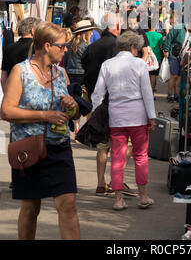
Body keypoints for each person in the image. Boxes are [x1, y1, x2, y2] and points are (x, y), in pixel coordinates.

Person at [0, 22, 80, 240]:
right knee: (31, 206)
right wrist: (45, 116)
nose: (65, 50)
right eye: (62, 46)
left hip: (59, 147)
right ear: (47, 46)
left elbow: (73, 114)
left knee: (68, 204)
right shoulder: (21, 71)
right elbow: (6, 111)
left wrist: (72, 107)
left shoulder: (61, 73)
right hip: (29, 148)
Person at [91, 31, 156, 211]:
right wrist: (152, 117)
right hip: (138, 116)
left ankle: (118, 200)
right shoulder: (139, 64)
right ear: (133, 47)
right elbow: (147, 93)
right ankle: (143, 197)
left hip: (116, 117)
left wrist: (97, 113)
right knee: (141, 157)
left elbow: (97, 94)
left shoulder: (107, 65)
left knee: (117, 158)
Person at [81, 13, 135, 197]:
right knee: (124, 145)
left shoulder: (92, 46)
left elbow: (84, 64)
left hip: (98, 101)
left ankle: (100, 182)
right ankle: (115, 179)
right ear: (117, 27)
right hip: (117, 100)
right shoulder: (118, 48)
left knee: (102, 145)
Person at [63, 20, 95, 134]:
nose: (92, 34)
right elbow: (88, 64)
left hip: (70, 76)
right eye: (90, 32)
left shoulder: (68, 45)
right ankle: (88, 130)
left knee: (74, 103)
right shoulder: (87, 47)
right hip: (82, 77)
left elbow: (65, 63)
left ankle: (76, 127)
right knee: (87, 103)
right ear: (86, 33)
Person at [1, 17, 42, 92]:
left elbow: (3, 76)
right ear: (33, 31)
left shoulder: (9, 48)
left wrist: (6, 95)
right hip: (30, 93)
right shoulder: (37, 48)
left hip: (12, 91)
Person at [163, 19, 191, 103]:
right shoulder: (179, 27)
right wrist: (166, 50)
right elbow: (169, 38)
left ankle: (176, 95)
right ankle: (169, 95)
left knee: (178, 77)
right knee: (173, 76)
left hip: (183, 57)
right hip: (173, 54)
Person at [146, 18, 164, 93]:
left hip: (146, 57)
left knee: (147, 76)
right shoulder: (159, 35)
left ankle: (147, 91)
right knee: (153, 75)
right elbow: (161, 47)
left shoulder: (145, 34)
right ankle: (151, 92)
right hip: (156, 58)